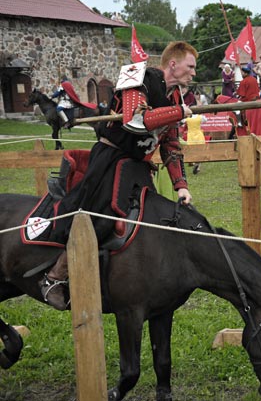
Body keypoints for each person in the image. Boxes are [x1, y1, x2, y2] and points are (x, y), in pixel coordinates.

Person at [40, 41, 198, 310]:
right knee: (100, 217)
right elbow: (135, 120)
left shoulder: (176, 98)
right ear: (173, 64)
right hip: (110, 160)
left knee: (148, 221)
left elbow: (170, 144)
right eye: (191, 66)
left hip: (138, 166)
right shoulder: (138, 77)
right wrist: (179, 113)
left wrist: (181, 185)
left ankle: (130, 277)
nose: (194, 73)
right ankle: (55, 277)